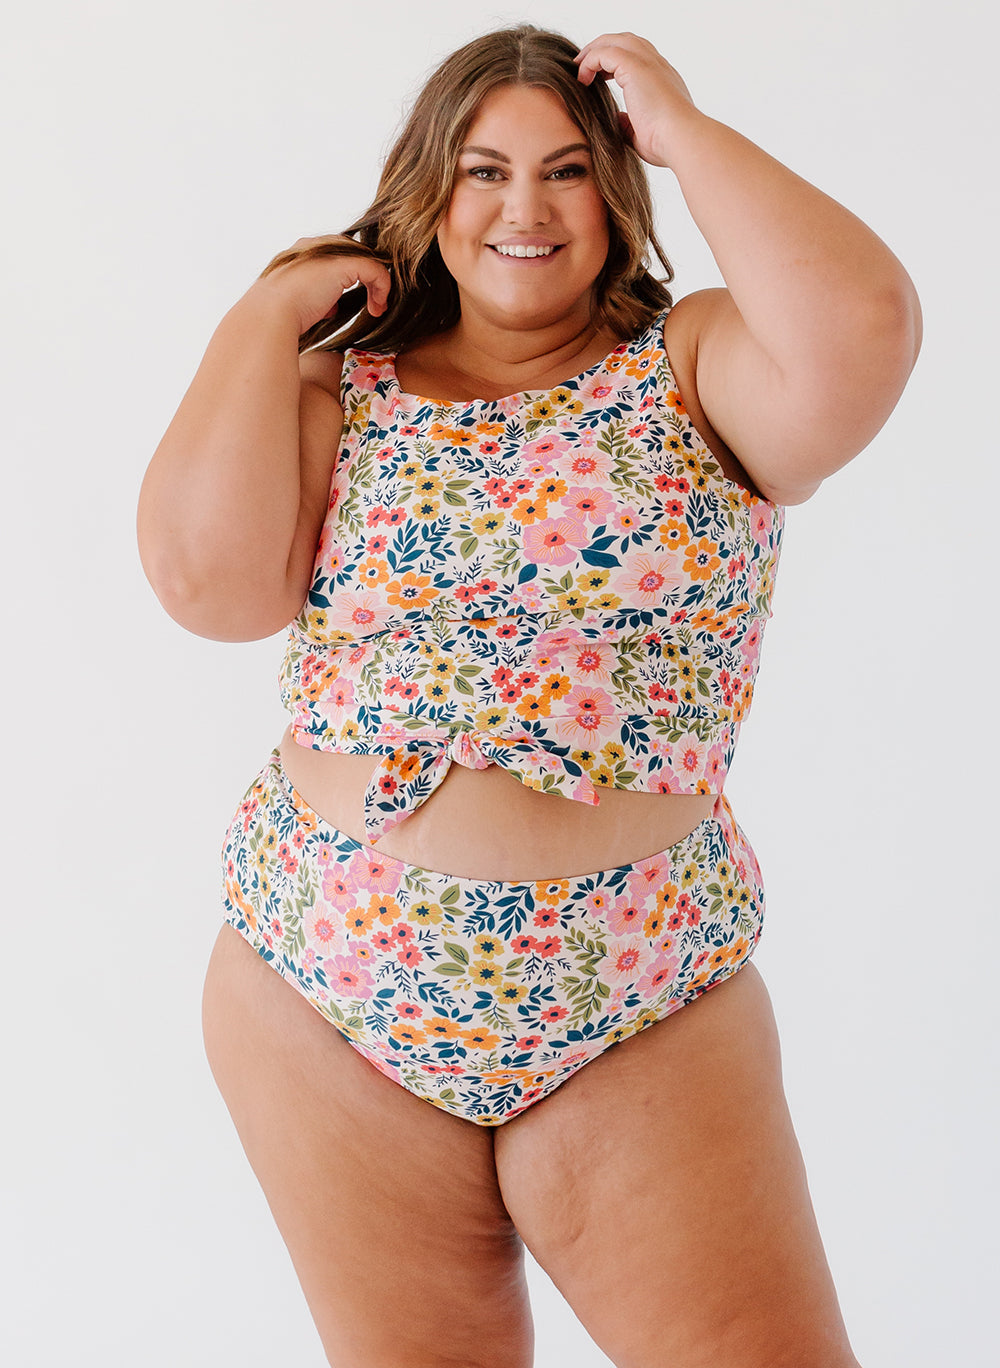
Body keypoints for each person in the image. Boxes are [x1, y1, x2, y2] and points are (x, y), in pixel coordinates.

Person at [137, 26, 920, 1368]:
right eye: (485, 169)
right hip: (329, 992)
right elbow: (208, 588)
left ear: (616, 191)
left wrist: (679, 125)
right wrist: (266, 317)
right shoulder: (347, 383)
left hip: (632, 998)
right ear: (431, 189)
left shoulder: (695, 364)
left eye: (567, 169)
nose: (523, 208)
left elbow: (859, 332)